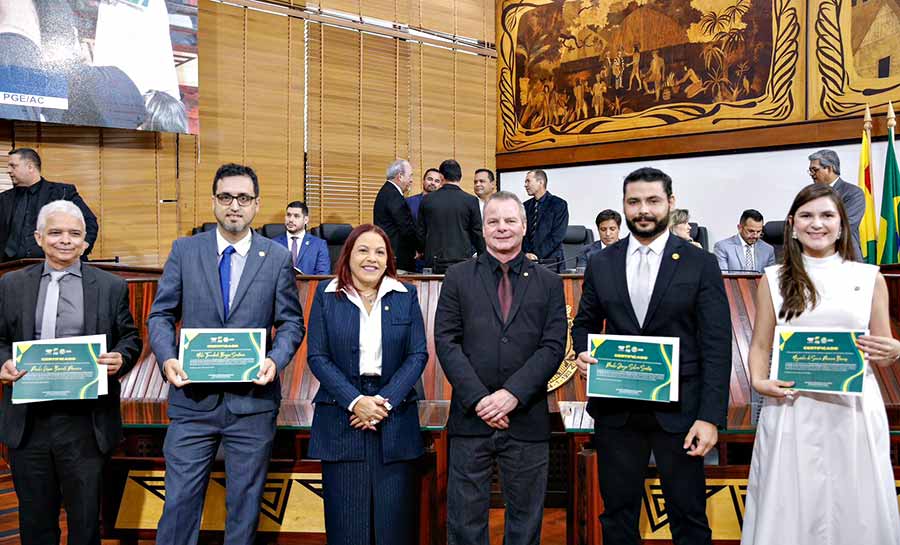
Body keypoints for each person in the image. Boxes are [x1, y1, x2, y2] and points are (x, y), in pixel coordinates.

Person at [572, 167, 731, 545]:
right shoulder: (601, 262)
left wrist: (710, 418)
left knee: (689, 517)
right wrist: (582, 350)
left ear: (670, 204)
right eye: (634, 201)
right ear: (624, 205)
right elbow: (585, 322)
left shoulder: (700, 263)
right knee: (617, 518)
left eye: (653, 201)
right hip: (618, 411)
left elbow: (716, 344)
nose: (643, 209)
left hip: (681, 415)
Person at [148, 163, 305, 545]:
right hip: (192, 402)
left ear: (256, 205)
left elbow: (291, 324)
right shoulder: (185, 250)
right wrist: (168, 358)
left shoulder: (277, 257)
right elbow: (161, 314)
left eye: (243, 198)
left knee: (245, 507)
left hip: (252, 404)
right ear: (214, 202)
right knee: (179, 504)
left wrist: (276, 359)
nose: (234, 205)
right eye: (226, 197)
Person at [741, 184, 900, 545]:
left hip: (853, 410)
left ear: (842, 224)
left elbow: (884, 343)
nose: (817, 224)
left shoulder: (869, 277)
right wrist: (758, 381)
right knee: (790, 502)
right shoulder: (774, 279)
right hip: (792, 408)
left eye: (827, 215)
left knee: (855, 502)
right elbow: (760, 345)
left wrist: (894, 350)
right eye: (807, 215)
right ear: (793, 225)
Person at [0, 200, 141, 545]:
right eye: (56, 232)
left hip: (85, 422)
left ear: (85, 242)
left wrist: (121, 358)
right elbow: (1, 339)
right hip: (29, 422)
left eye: (74, 234)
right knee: (35, 521)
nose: (65, 240)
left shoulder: (110, 286)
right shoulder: (11, 284)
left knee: (86, 523)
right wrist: (2, 362)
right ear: (38, 237)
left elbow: (130, 338)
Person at [435, 190, 567, 545]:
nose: (502, 228)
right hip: (470, 417)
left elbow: (553, 346)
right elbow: (446, 341)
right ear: (482, 227)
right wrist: (480, 399)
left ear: (524, 227)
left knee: (525, 525)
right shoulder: (458, 277)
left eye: (510, 220)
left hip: (526, 417)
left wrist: (510, 395)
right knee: (464, 523)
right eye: (493, 221)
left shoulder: (550, 283)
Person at [306, 224, 428, 545]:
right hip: (342, 419)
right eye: (363, 250)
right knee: (348, 530)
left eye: (379, 251)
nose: (371, 258)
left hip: (394, 417)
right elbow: (317, 357)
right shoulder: (327, 295)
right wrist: (355, 401)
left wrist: (382, 403)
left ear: (389, 258)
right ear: (348, 255)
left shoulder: (406, 295)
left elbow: (417, 355)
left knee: (395, 530)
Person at [1, 148, 99, 261]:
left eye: (13, 166)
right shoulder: (3, 199)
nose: (8, 170)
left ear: (30, 167)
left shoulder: (63, 192)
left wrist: (84, 245)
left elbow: (89, 221)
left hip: (57, 265)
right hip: (12, 269)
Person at [418, 159, 485, 273]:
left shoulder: (427, 200)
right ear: (460, 177)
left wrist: (421, 250)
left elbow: (421, 232)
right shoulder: (471, 201)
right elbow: (477, 233)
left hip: (433, 261)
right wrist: (483, 256)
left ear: (441, 176)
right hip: (462, 262)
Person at [808, 149, 865, 261]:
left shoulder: (853, 193)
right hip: (815, 259)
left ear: (829, 168)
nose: (812, 174)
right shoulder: (809, 195)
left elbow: (846, 225)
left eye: (814, 170)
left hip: (846, 257)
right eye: (810, 171)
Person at [373, 159, 423, 272]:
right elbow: (406, 227)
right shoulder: (394, 196)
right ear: (400, 176)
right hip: (397, 258)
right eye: (410, 176)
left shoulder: (387, 191)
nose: (411, 180)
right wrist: (420, 248)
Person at [523, 169, 569, 272]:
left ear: (540, 182)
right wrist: (527, 254)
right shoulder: (525, 206)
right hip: (528, 261)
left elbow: (557, 236)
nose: (525, 185)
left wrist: (536, 255)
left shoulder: (559, 204)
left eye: (528, 181)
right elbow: (523, 233)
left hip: (551, 262)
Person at [272, 200, 330, 275]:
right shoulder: (274, 244)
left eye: (296, 216)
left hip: (310, 286)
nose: (291, 220)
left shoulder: (319, 245)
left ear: (306, 220)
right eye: (288, 215)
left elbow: (323, 275)